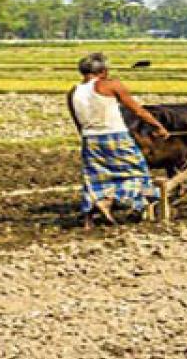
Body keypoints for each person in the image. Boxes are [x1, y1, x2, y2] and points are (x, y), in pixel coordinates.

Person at [67, 53, 169, 229]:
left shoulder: (73, 92)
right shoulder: (110, 85)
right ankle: (127, 203)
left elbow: (78, 123)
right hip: (116, 136)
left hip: (90, 139)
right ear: (103, 71)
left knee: (95, 178)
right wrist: (158, 127)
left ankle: (94, 211)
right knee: (137, 172)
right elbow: (137, 110)